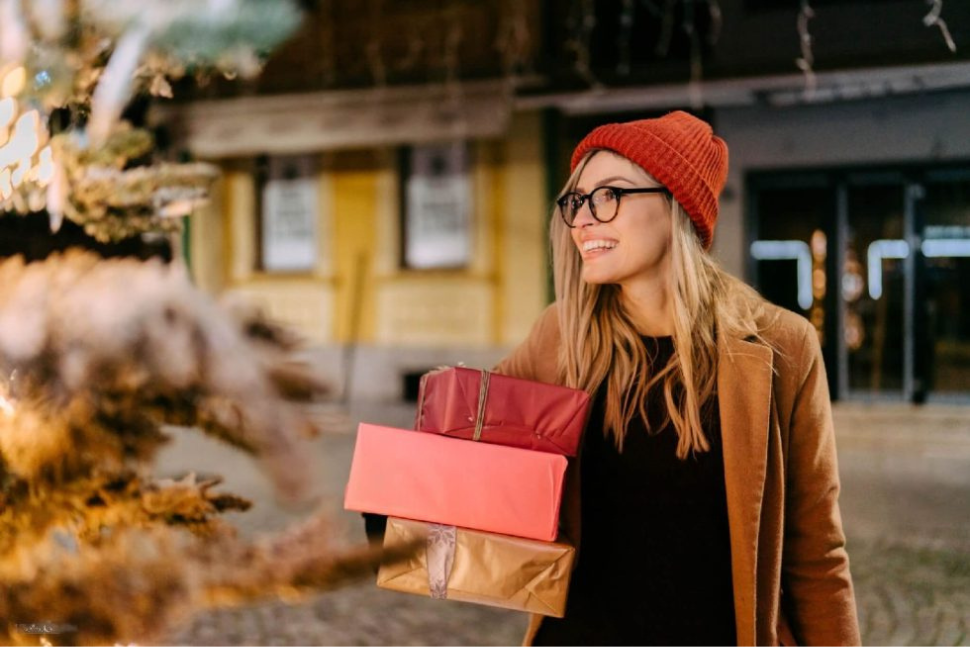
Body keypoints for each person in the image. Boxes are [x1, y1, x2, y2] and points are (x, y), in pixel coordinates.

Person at [494, 111, 860, 646]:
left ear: (677, 204)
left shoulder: (782, 346)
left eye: (608, 195)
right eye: (576, 201)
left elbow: (815, 551)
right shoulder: (561, 335)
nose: (583, 220)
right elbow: (468, 443)